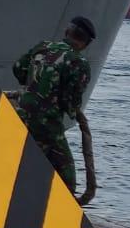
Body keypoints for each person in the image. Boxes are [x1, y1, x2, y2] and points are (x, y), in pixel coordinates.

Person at [11, 15, 95, 191]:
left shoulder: (42, 47)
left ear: (66, 32)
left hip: (20, 117)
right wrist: (70, 110)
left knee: (20, 164)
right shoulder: (78, 62)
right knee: (67, 180)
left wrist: (34, 87)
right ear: (86, 43)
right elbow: (71, 103)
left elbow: (18, 68)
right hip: (47, 127)